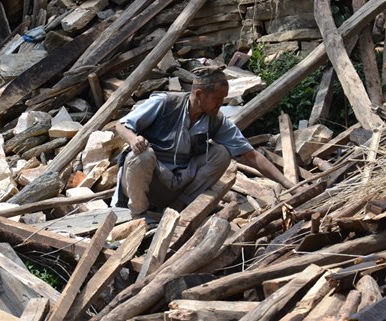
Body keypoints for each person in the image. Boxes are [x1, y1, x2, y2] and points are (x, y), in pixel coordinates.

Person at [112, 65, 298, 221]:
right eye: (217, 99)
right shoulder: (165, 103)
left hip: (175, 185)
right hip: (147, 180)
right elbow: (120, 126)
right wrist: (133, 139)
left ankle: (179, 206)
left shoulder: (215, 120)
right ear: (199, 94)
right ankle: (139, 215)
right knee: (142, 155)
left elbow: (250, 155)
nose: (220, 104)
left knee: (222, 153)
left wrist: (290, 185)